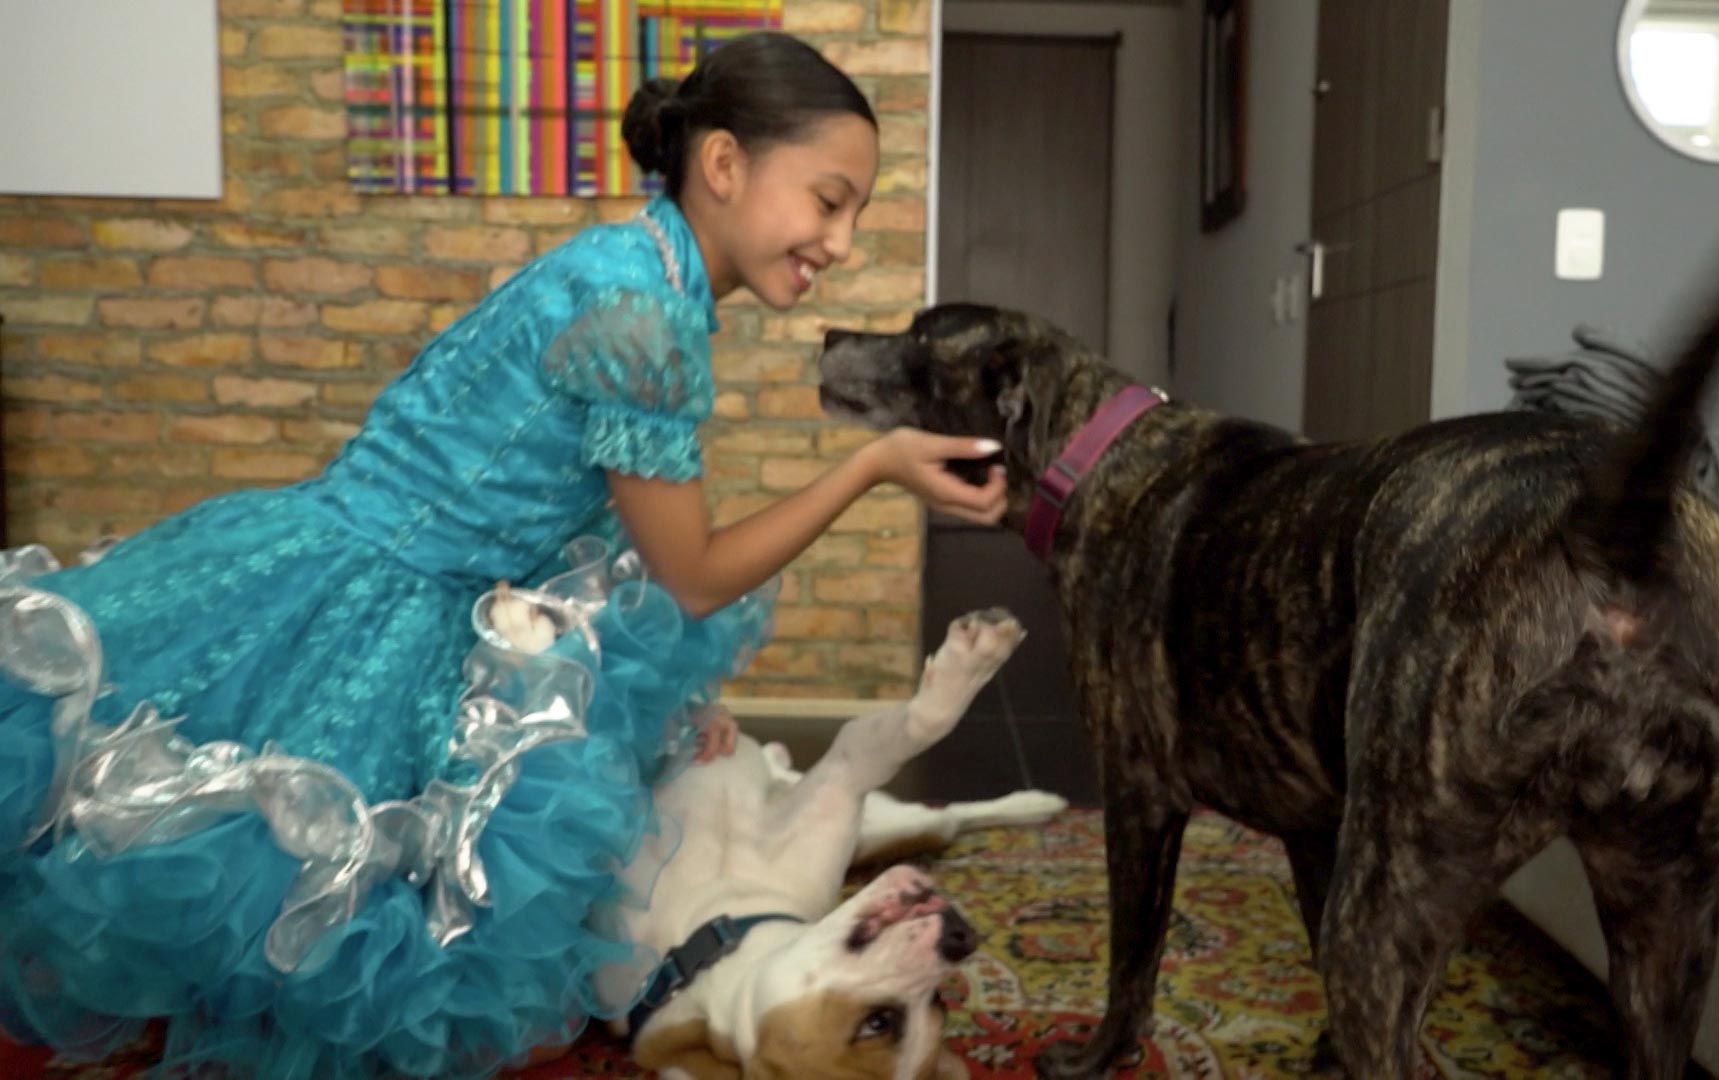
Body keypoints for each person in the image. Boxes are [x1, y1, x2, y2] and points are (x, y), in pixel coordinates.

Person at [0, 31, 1004, 1080]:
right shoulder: (643, 314)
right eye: (830, 201)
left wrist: (672, 703)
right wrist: (872, 465)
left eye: (854, 214)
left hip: (408, 576)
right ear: (722, 164)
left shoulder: (634, 269)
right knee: (299, 877)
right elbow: (695, 575)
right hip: (375, 599)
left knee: (280, 858)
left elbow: (575, 512)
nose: (840, 241)